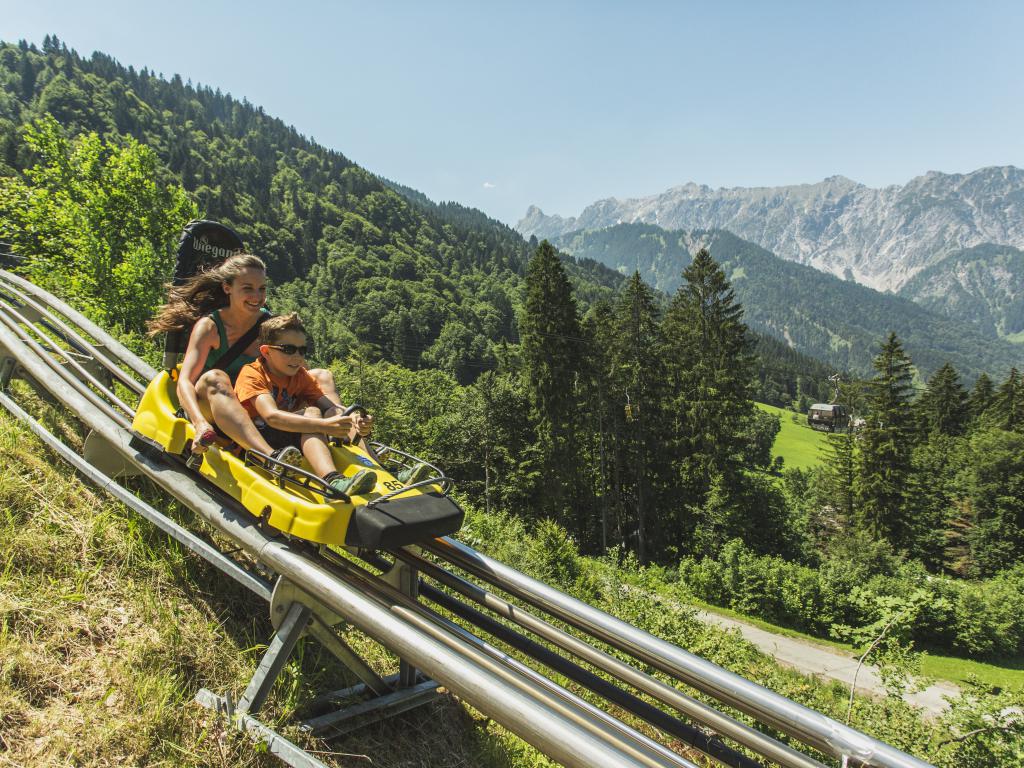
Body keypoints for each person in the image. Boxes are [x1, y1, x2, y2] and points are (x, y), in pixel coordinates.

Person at [146, 253, 371, 461]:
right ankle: (269, 457)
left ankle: (362, 449)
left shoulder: (267, 325)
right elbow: (185, 381)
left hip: (260, 404)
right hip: (219, 406)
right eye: (248, 288)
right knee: (214, 377)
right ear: (227, 288)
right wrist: (200, 423)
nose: (257, 297)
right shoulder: (210, 328)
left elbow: (298, 371)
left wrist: (340, 414)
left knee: (321, 376)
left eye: (262, 289)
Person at [234, 312, 377, 495]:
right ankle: (332, 480)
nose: (297, 356)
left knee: (334, 412)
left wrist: (355, 420)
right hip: (261, 441)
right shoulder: (253, 374)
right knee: (312, 413)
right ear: (266, 351)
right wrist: (323, 424)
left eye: (302, 350)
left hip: (290, 434)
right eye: (288, 349)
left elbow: (330, 407)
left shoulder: (299, 375)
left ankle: (379, 469)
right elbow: (271, 416)